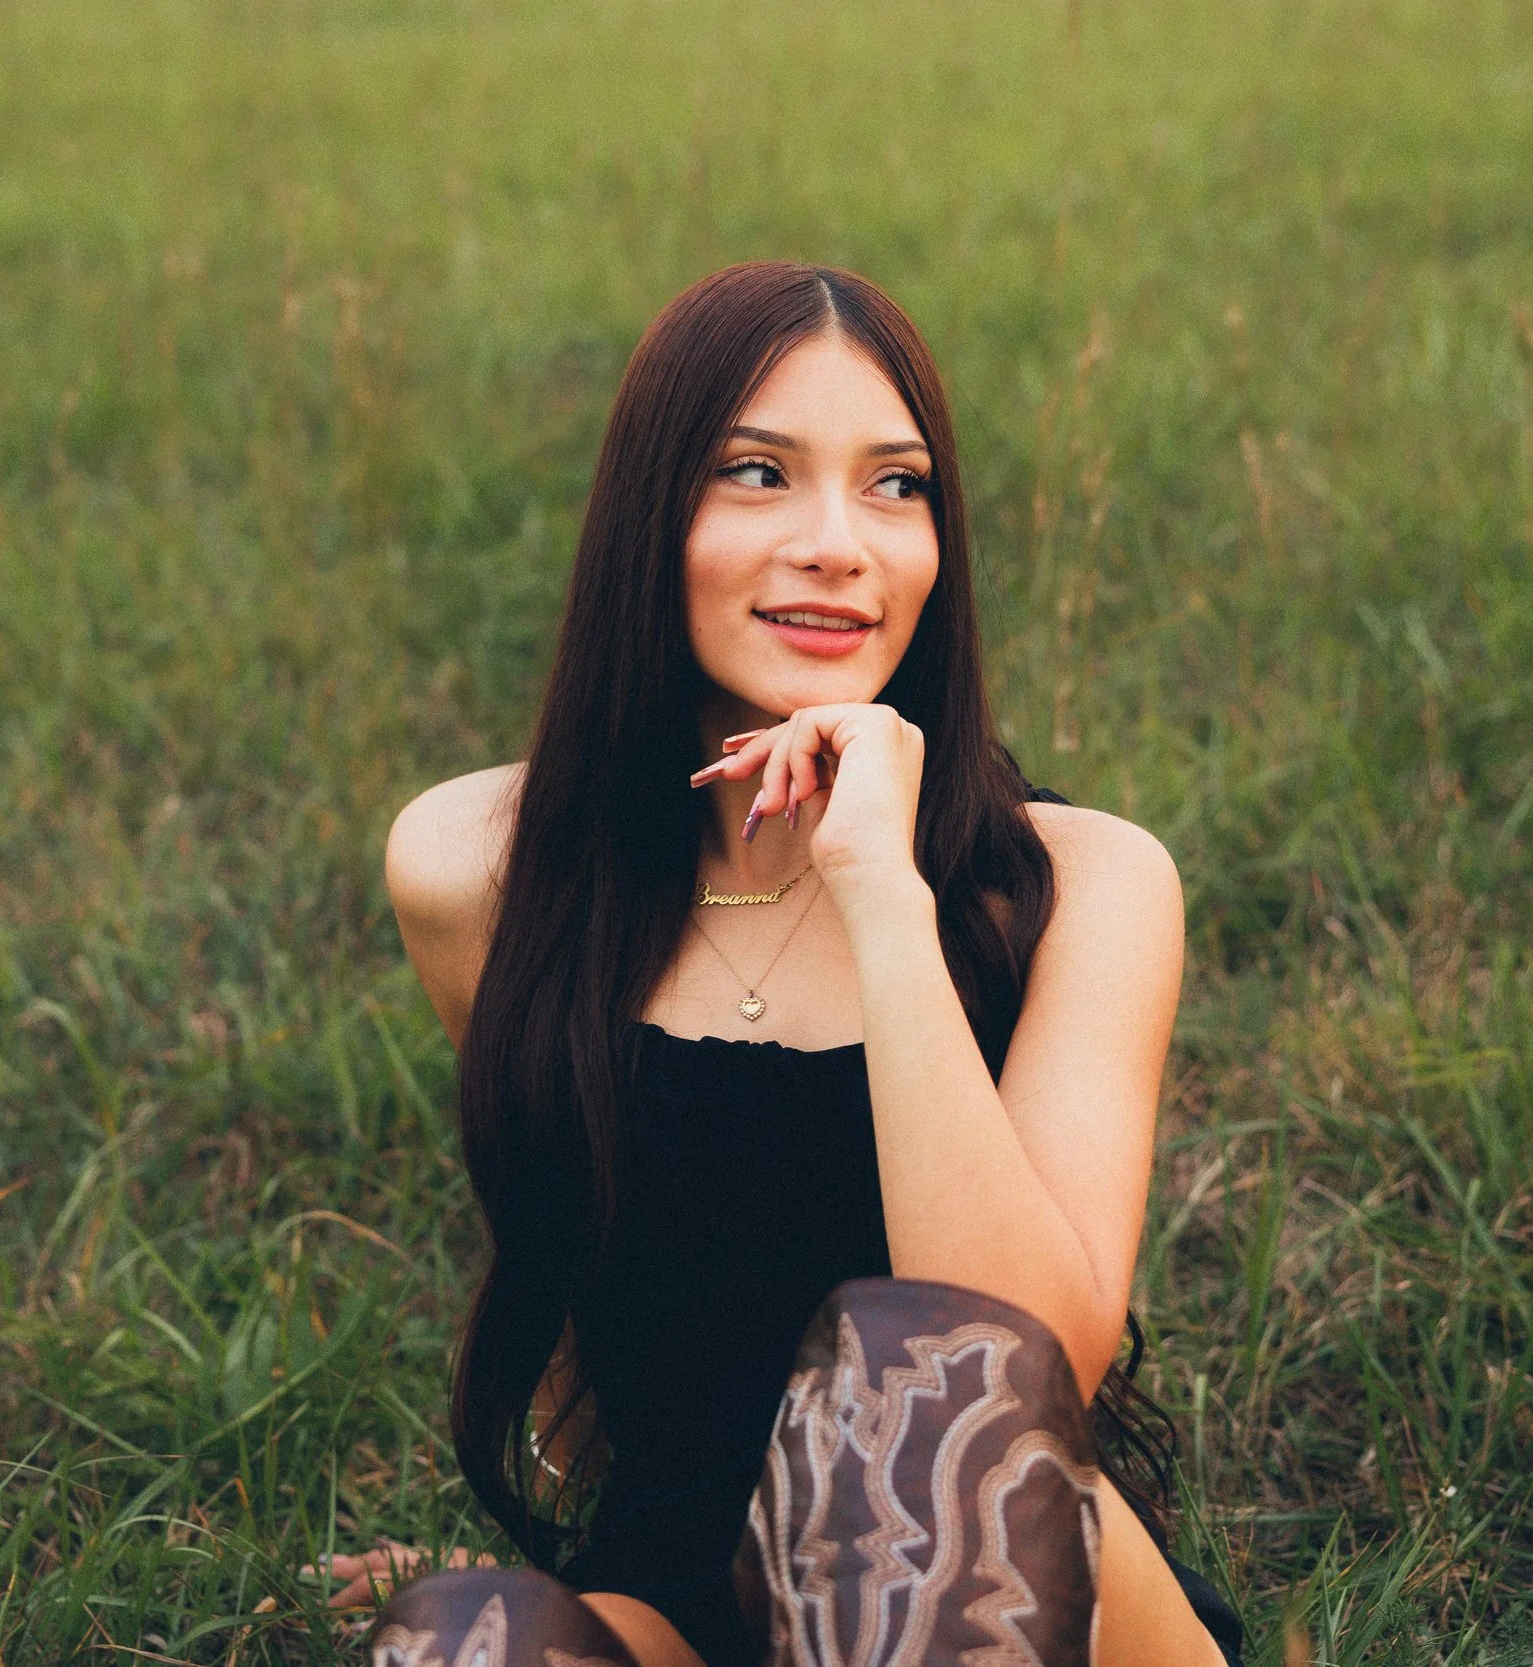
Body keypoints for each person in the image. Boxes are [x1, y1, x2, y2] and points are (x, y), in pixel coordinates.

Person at [329, 263, 1245, 1667]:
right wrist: (542, 1595)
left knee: (912, 1417)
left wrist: (879, 890)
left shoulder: (1081, 885)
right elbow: (581, 1262)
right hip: (692, 1576)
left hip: (1009, 1579)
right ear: (649, 518)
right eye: (758, 473)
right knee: (461, 1645)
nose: (841, 543)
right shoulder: (482, 869)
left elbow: (1024, 1369)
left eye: (897, 485)